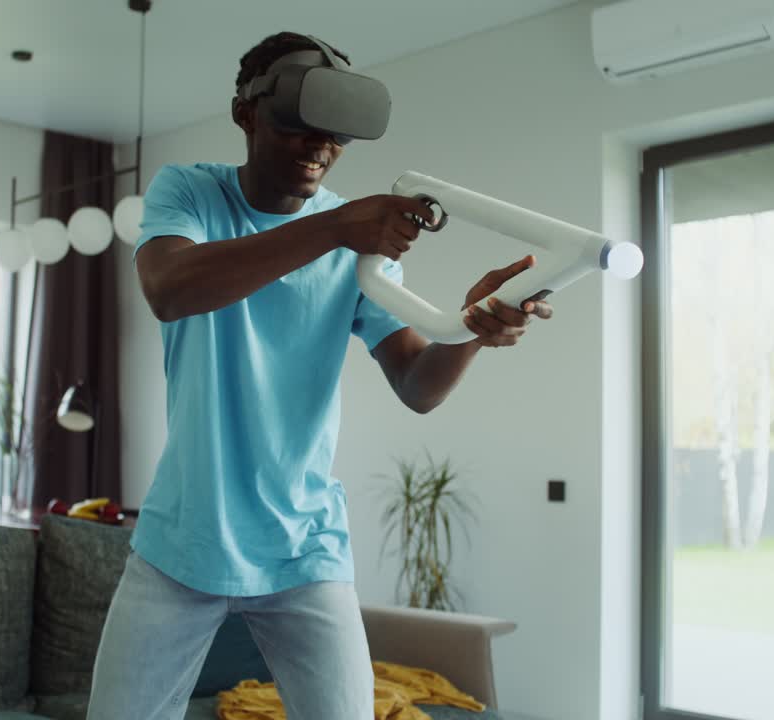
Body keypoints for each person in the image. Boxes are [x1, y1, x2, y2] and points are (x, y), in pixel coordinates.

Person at [87, 31, 553, 720]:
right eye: (298, 125)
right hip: (181, 543)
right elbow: (170, 288)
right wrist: (333, 227)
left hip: (304, 550)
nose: (320, 147)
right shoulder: (190, 193)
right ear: (246, 113)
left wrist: (470, 327)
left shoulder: (356, 244)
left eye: (335, 134)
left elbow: (417, 384)